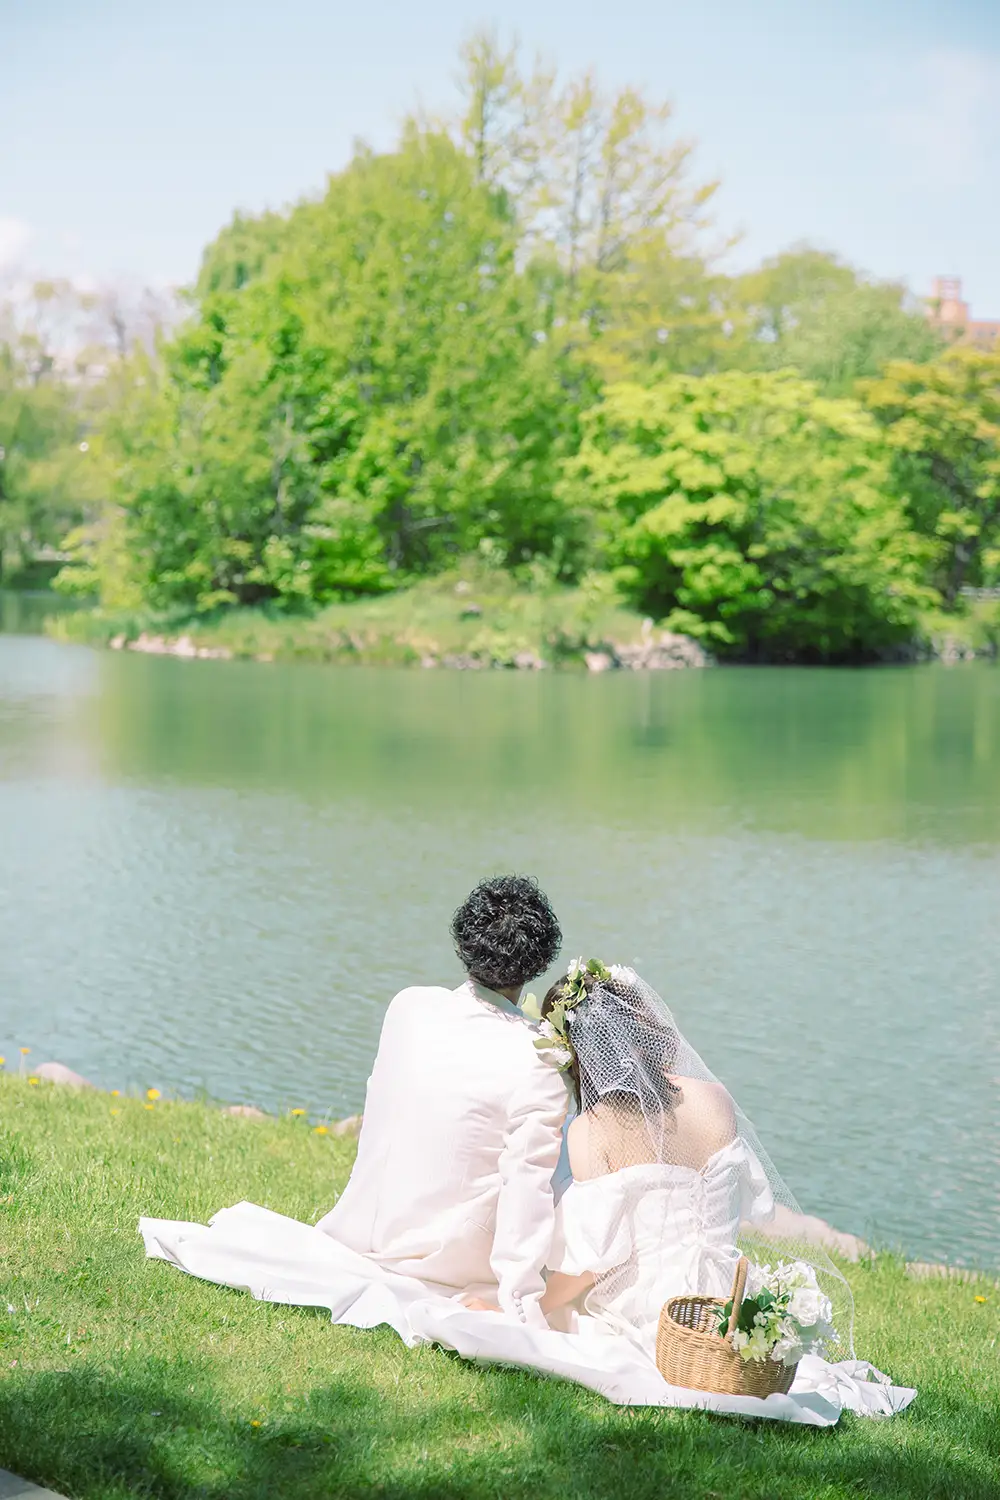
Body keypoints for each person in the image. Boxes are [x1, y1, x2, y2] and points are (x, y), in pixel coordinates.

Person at [314, 874, 570, 1324]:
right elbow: (526, 1184)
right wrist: (516, 1300)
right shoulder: (540, 1057)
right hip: (454, 1261)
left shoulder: (409, 1006)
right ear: (538, 962)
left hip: (377, 1226)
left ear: (465, 939)